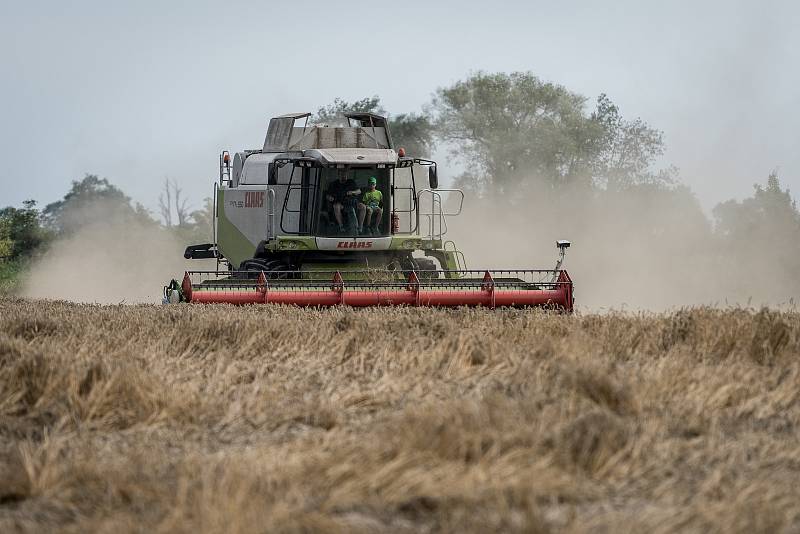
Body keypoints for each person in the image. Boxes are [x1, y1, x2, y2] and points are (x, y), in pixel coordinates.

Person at [326, 170, 363, 234]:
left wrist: (352, 192)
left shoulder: (351, 182)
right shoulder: (333, 184)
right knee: (336, 206)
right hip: (341, 204)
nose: (343, 176)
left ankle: (360, 227)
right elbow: (327, 195)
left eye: (345, 175)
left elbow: (359, 191)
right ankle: (341, 226)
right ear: (338, 175)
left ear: (347, 175)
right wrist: (330, 198)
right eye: (342, 174)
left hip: (353, 203)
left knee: (363, 207)